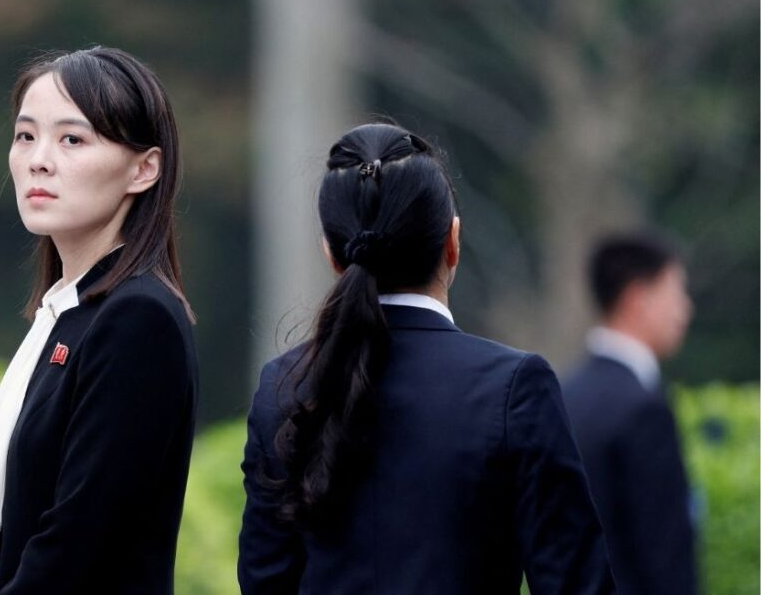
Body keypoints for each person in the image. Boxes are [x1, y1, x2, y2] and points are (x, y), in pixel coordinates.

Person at [238, 123, 614, 594]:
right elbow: (576, 581)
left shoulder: (284, 386)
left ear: (332, 255)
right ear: (452, 242)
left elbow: (265, 581)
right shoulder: (512, 387)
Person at [0, 47, 198, 594]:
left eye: (72, 139)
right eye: (26, 136)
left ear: (144, 168)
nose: (39, 159)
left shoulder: (138, 319)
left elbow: (79, 543)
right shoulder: (68, 314)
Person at [562, 233, 697, 595]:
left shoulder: (563, 394)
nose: (685, 310)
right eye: (676, 293)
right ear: (638, 299)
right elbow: (664, 554)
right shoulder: (643, 408)